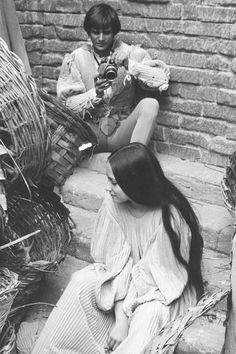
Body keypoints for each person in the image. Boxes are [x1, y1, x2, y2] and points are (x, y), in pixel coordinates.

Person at [32, 142, 204, 354]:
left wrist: (123, 315)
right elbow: (113, 264)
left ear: (135, 183)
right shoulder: (113, 202)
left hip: (158, 289)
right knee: (81, 281)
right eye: (108, 180)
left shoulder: (170, 217)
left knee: (148, 317)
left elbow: (156, 281)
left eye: (114, 183)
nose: (108, 188)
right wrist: (121, 318)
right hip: (121, 279)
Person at [56, 3, 169, 152]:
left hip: (121, 131)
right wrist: (95, 93)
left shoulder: (130, 52)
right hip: (91, 134)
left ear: (114, 32)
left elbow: (162, 80)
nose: (101, 38)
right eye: (95, 32)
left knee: (150, 104)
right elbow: (66, 105)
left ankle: (133, 160)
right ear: (88, 32)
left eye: (107, 32)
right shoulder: (77, 58)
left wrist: (129, 64)